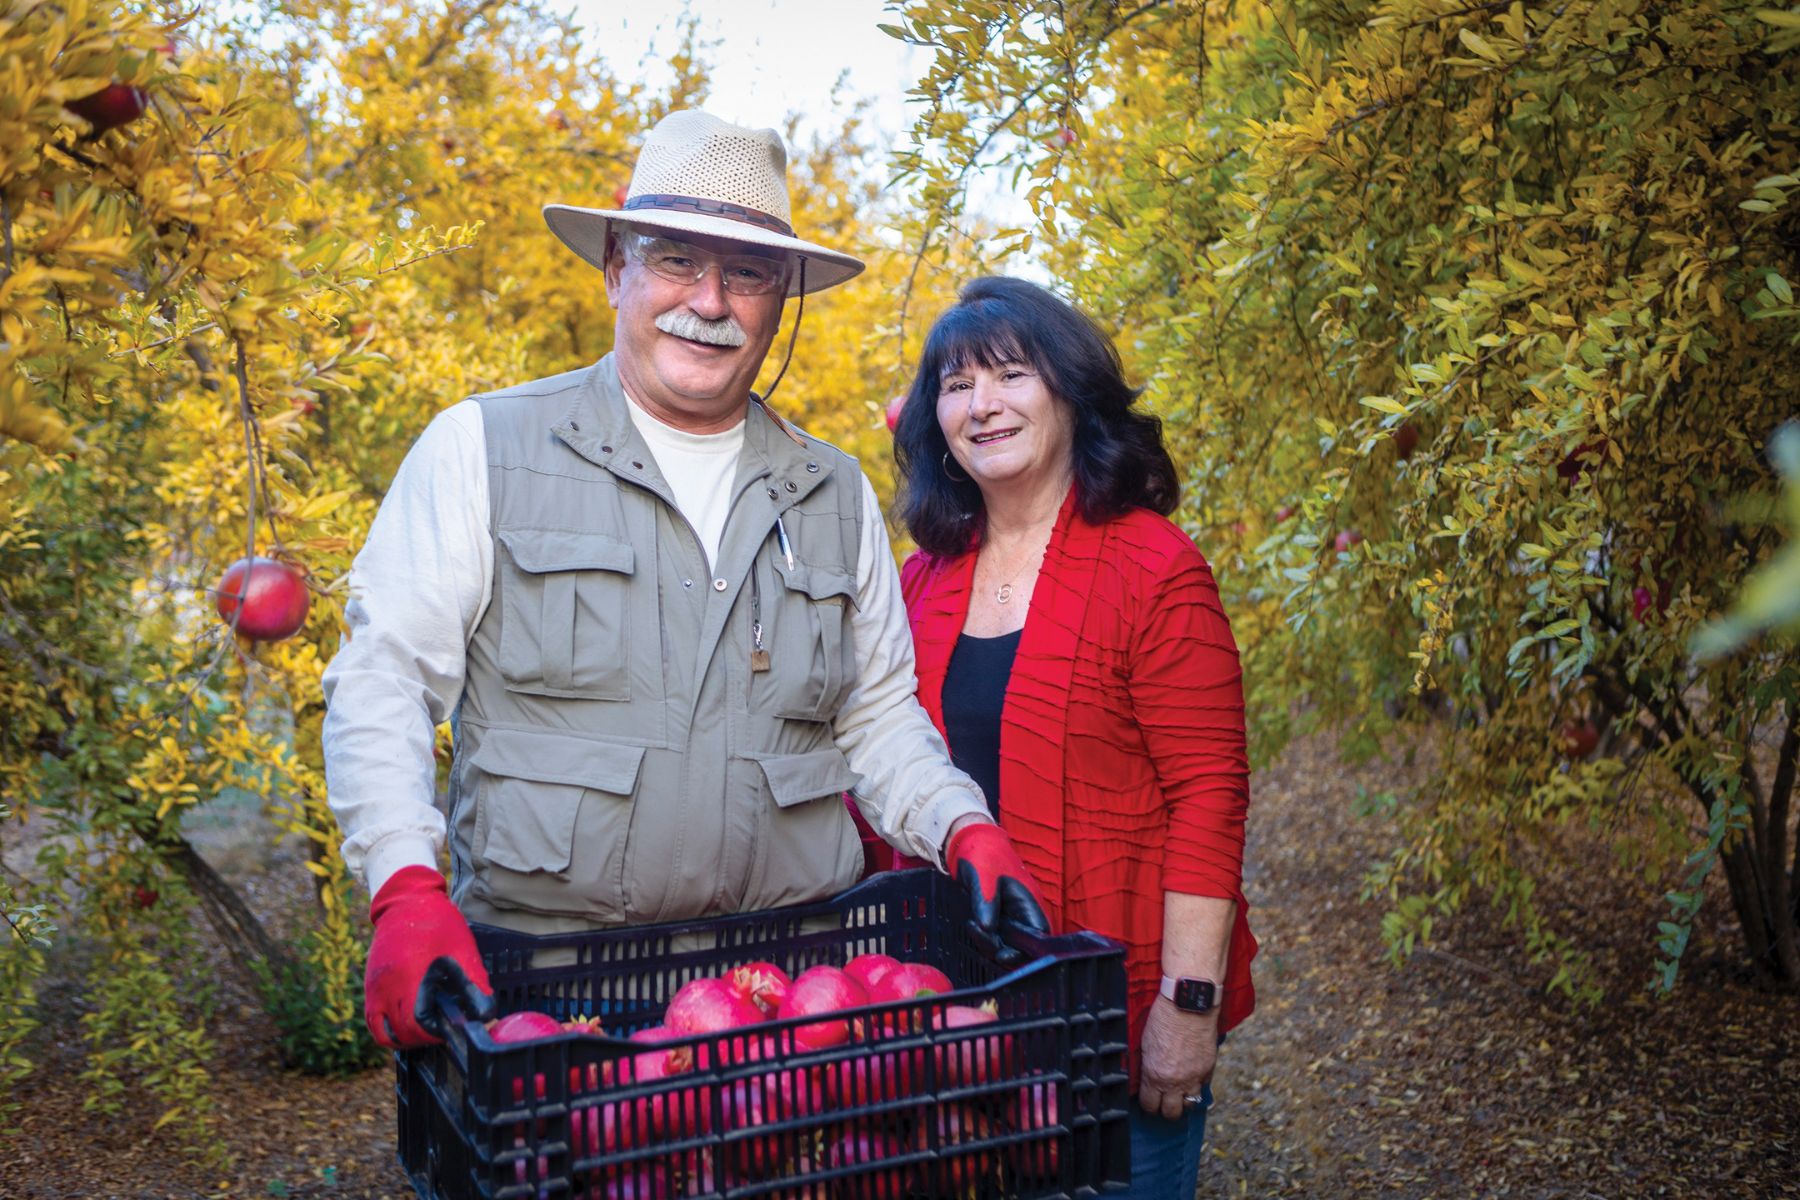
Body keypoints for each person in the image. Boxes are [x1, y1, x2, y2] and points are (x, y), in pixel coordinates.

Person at [321, 111, 1046, 1051]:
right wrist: (403, 887)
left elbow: (875, 717)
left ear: (780, 295)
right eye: (674, 259)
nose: (708, 301)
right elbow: (385, 681)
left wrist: (961, 827)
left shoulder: (831, 490)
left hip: (797, 993)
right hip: (551, 998)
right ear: (616, 264)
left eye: (745, 273)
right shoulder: (483, 450)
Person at [893, 276, 1257, 1197]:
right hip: (957, 1010)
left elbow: (1209, 798)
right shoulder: (922, 580)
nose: (982, 406)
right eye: (955, 384)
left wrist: (1188, 1005)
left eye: (1010, 375)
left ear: (1068, 392)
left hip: (1110, 1009)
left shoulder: (1154, 567)